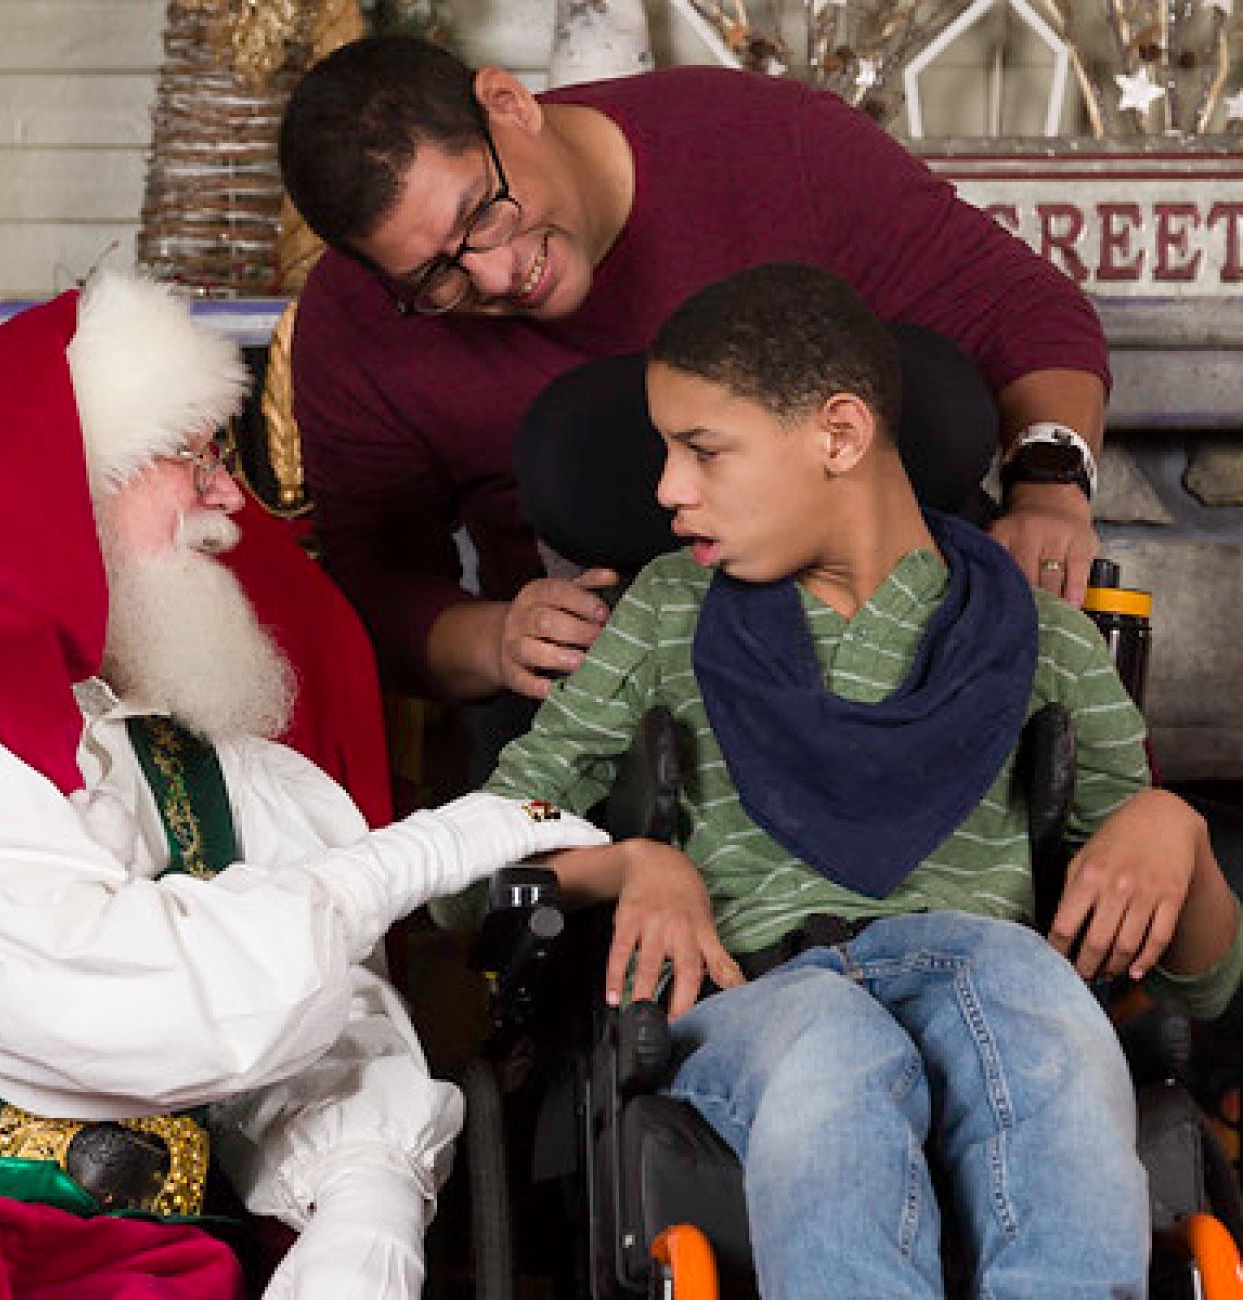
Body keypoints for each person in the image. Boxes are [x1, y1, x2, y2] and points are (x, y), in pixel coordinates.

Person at [477, 264, 1243, 1299]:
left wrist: (1172, 827)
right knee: (836, 1050)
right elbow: (467, 860)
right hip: (760, 992)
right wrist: (629, 861)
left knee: (1029, 1004)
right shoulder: (664, 614)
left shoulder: (1044, 646)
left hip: (985, 968)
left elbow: (1209, 982)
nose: (664, 488)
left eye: (701, 448)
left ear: (839, 435)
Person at [0, 269, 607, 1299]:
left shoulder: (219, 764)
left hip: (159, 1267)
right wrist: (412, 854)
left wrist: (367, 1206)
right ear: (57, 488)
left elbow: (336, 1036)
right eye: (189, 458)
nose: (225, 499)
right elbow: (129, 1001)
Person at [279, 35, 1108, 712]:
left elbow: (1017, 308)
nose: (493, 277)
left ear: (509, 104)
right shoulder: (356, 324)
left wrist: (1050, 487)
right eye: (436, 277)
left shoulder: (762, 140)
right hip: (613, 700)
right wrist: (495, 639)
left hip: (921, 660)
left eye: (483, 215)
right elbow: (376, 581)